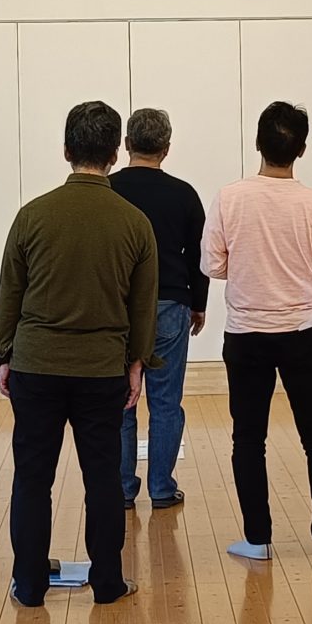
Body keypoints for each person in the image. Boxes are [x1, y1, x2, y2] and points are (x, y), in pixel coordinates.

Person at [0, 101, 159, 606]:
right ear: (115, 154)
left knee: (32, 477)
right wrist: (137, 363)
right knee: (103, 477)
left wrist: (3, 354)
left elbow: (10, 295)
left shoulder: (32, 215)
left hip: (36, 364)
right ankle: (108, 582)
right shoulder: (134, 223)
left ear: (67, 150)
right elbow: (142, 306)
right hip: (102, 368)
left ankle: (29, 584)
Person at [203, 101, 312, 561]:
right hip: (303, 331)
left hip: (246, 332)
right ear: (301, 149)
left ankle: (257, 539)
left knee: (248, 437)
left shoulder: (230, 197)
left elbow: (212, 264)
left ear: (257, 143)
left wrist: (249, 267)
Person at [109, 108, 208, 510]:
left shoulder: (108, 190)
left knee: (121, 400)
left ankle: (121, 488)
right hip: (171, 301)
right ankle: (162, 488)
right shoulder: (184, 194)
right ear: (166, 148)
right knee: (166, 401)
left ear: (127, 144)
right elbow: (198, 255)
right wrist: (198, 304)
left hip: (117, 305)